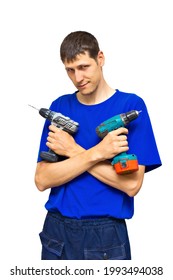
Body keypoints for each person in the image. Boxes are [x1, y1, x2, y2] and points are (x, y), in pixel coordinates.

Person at [34, 31, 162, 260]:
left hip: (106, 237)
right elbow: (42, 179)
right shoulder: (59, 108)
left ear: (100, 58)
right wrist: (98, 153)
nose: (77, 77)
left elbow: (132, 184)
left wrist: (73, 151)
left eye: (84, 67)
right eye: (70, 70)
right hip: (56, 232)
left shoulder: (130, 105)